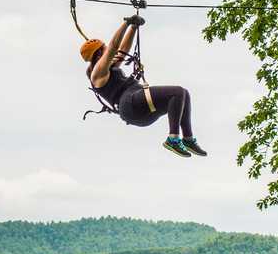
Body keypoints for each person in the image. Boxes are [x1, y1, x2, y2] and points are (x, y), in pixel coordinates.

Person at [79, 15, 207, 158]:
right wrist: (126, 23)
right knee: (176, 92)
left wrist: (133, 27)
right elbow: (114, 47)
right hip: (130, 105)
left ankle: (188, 139)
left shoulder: (110, 67)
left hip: (139, 109)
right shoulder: (97, 75)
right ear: (98, 55)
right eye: (104, 48)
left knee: (184, 93)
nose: (107, 48)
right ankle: (173, 139)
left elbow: (122, 49)